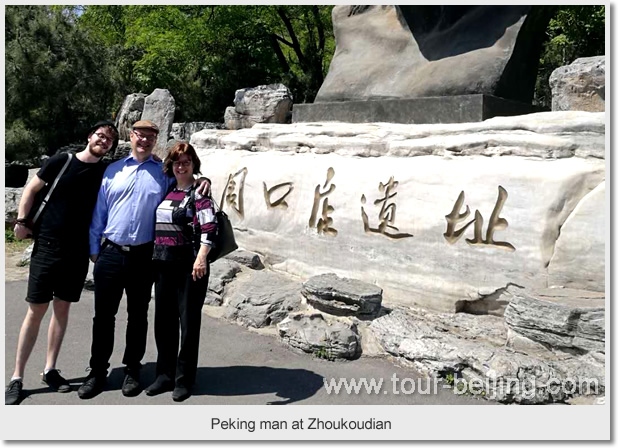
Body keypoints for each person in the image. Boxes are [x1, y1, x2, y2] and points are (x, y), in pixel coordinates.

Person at [78, 121, 209, 400]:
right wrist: (94, 249)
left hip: (144, 255)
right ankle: (97, 371)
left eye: (150, 137)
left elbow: (186, 180)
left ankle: (132, 370)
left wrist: (203, 179)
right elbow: (99, 213)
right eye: (140, 135)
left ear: (155, 141)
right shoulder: (112, 170)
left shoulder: (162, 174)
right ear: (131, 136)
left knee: (137, 317)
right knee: (103, 317)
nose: (145, 140)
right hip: (110, 252)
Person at [5, 121, 119, 405]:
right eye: (101, 136)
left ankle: (50, 369)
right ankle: (16, 377)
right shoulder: (62, 160)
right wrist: (21, 220)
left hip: (78, 251)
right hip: (48, 245)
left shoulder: (105, 171)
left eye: (109, 141)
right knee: (36, 310)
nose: (103, 141)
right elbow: (32, 189)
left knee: (62, 308)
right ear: (89, 136)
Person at [145, 142, 217, 402]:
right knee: (163, 321)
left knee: (188, 323)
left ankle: (184, 379)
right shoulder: (169, 189)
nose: (181, 166)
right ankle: (164, 374)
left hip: (190, 266)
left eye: (186, 161)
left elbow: (209, 228)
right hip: (163, 263)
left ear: (193, 164)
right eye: (177, 162)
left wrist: (201, 259)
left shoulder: (200, 193)